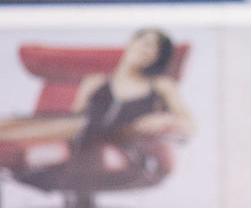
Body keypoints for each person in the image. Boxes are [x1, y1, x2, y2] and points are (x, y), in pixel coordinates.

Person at [0, 28, 194, 206]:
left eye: (156, 49)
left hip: (127, 147)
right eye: (145, 43)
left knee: (92, 157)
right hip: (84, 143)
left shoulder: (160, 85)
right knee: (36, 153)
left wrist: (165, 120)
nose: (148, 50)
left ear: (158, 58)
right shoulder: (94, 82)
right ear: (132, 43)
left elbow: (187, 125)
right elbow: (77, 123)